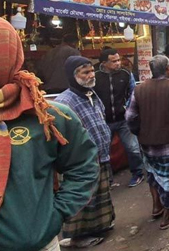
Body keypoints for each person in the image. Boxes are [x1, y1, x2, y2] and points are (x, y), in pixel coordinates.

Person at [0, 18, 100, 251]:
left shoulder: (47, 116)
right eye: (85, 71)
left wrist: (52, 217)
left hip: (34, 244)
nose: (90, 75)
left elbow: (83, 164)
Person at [55, 57, 115, 248]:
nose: (91, 75)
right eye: (85, 72)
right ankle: (77, 237)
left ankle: (99, 227)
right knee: (83, 199)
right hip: (81, 162)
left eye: (92, 71)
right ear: (73, 76)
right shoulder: (64, 102)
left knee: (99, 195)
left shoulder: (92, 94)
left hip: (100, 156)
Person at [126, 55, 169, 230]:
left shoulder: (139, 89)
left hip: (146, 144)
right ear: (167, 69)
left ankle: (156, 206)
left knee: (152, 174)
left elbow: (130, 116)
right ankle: (167, 215)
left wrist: (138, 131)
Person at [94, 47, 144, 187]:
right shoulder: (95, 76)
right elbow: (92, 96)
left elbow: (133, 93)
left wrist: (127, 108)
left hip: (123, 120)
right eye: (114, 61)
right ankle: (108, 180)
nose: (118, 63)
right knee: (104, 151)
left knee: (133, 148)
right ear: (104, 63)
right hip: (104, 121)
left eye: (118, 60)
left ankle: (138, 174)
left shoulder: (126, 74)